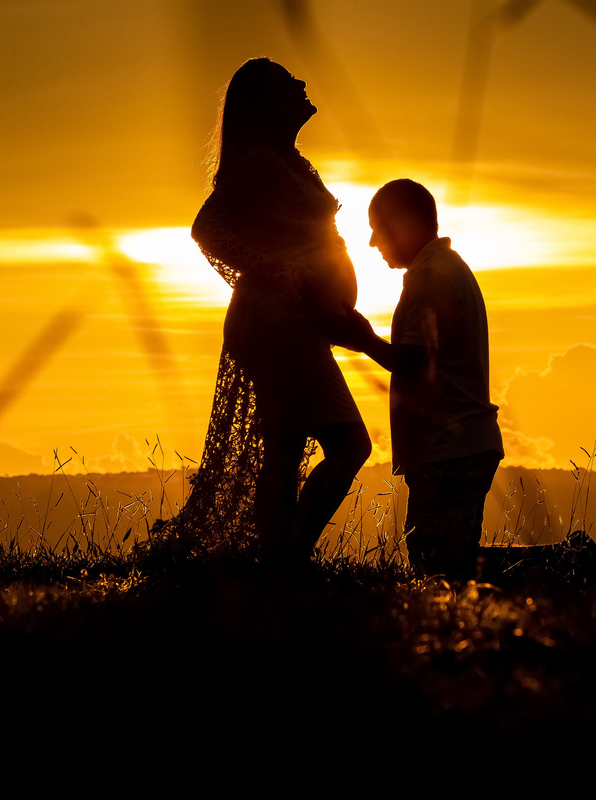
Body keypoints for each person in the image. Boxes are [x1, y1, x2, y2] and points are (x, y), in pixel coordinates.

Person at [154, 58, 370, 563]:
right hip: (275, 325)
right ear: (266, 103)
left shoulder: (289, 160)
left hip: (294, 323)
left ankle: (277, 559)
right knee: (348, 444)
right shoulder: (258, 163)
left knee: (287, 444)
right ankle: (287, 557)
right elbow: (207, 228)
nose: (301, 83)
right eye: (287, 82)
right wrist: (276, 273)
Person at [332, 179, 503, 578]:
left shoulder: (431, 279)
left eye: (379, 227)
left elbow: (413, 363)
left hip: (450, 452)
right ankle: (567, 566)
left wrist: (363, 339)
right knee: (446, 561)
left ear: (405, 222)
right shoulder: (447, 269)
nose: (373, 242)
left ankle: (570, 565)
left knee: (438, 567)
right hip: (457, 448)